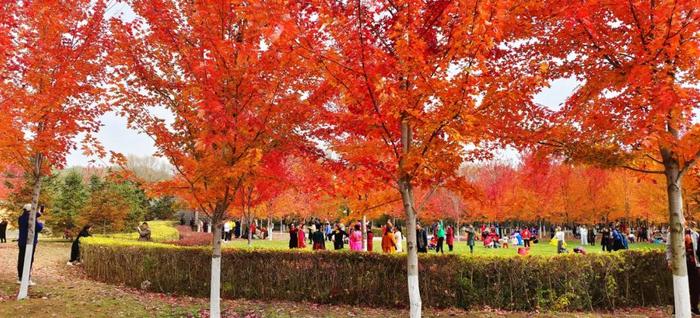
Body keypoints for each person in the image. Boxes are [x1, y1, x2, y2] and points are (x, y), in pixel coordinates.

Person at [667, 221, 700, 315]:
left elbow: (697, 249)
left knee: (695, 286)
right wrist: (669, 260)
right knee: (678, 285)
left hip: (693, 263)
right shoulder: (672, 234)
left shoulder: (694, 234)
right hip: (679, 263)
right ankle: (676, 308)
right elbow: (669, 248)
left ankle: (694, 307)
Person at [17, 204, 44, 285]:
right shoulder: (31, 218)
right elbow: (38, 228)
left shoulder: (21, 218)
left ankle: (20, 277)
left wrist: (40, 211)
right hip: (30, 242)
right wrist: (41, 224)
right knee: (29, 259)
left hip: (21, 242)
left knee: (21, 259)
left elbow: (37, 214)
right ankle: (27, 278)